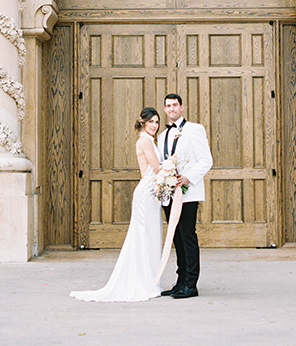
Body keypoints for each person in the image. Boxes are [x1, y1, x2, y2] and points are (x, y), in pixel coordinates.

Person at [70, 107, 162, 302]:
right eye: (151, 121)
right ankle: (142, 282)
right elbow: (156, 167)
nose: (154, 125)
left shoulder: (150, 140)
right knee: (144, 236)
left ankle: (150, 280)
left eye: (156, 122)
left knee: (151, 236)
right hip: (146, 192)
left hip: (153, 193)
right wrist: (173, 167)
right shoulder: (144, 141)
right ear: (143, 122)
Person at [158, 93, 213, 299]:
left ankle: (191, 284)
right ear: (165, 109)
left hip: (187, 194)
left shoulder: (194, 129)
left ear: (182, 107)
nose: (171, 109)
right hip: (168, 195)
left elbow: (206, 160)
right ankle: (180, 282)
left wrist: (187, 178)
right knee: (177, 239)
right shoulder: (162, 136)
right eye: (168, 106)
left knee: (187, 236)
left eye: (175, 105)